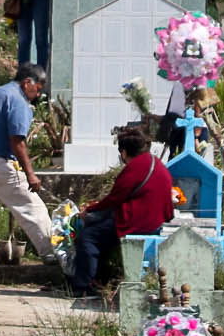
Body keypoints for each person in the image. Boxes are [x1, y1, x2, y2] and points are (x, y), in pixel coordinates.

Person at [0, 65, 64, 277]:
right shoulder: (18, 101)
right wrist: (30, 174)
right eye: (37, 89)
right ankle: (51, 254)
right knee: (32, 207)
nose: (38, 95)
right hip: (1, 164)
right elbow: (17, 141)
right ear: (27, 82)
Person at [67, 126, 174, 300]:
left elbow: (114, 198)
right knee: (100, 232)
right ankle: (97, 278)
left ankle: (83, 286)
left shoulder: (135, 168)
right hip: (156, 220)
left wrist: (90, 209)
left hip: (136, 221)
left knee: (89, 237)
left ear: (124, 152)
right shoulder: (157, 164)